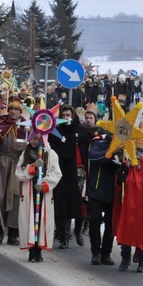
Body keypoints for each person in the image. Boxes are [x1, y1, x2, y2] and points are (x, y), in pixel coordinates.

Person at [114, 136, 143, 273]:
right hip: (129, 204)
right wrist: (124, 168)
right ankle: (125, 257)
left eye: (141, 154)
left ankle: (142, 260)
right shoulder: (130, 166)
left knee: (142, 231)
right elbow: (121, 181)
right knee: (127, 230)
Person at [50, 104, 92, 249]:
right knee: (64, 204)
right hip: (64, 173)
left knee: (81, 204)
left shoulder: (82, 131)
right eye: (64, 115)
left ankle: (78, 231)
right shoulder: (57, 132)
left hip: (80, 173)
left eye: (69, 115)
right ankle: (65, 236)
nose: (67, 118)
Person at [15, 136, 62, 263]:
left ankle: (39, 250)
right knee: (30, 221)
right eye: (32, 139)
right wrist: (33, 168)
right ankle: (32, 251)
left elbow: (57, 173)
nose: (34, 141)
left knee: (41, 220)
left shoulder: (51, 154)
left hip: (43, 192)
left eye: (37, 139)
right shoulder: (26, 153)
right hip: (30, 191)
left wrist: (44, 184)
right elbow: (18, 172)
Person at [0, 100, 27, 246]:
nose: (13, 112)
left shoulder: (25, 126)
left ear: (20, 112)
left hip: (17, 163)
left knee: (15, 197)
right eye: (11, 109)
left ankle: (13, 233)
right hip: (2, 162)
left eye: (16, 110)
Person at [86, 132, 118, 265]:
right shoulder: (98, 142)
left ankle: (106, 253)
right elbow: (92, 157)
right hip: (97, 189)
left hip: (113, 191)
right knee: (95, 220)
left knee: (111, 223)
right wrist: (110, 152)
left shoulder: (124, 145)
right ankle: (95, 252)